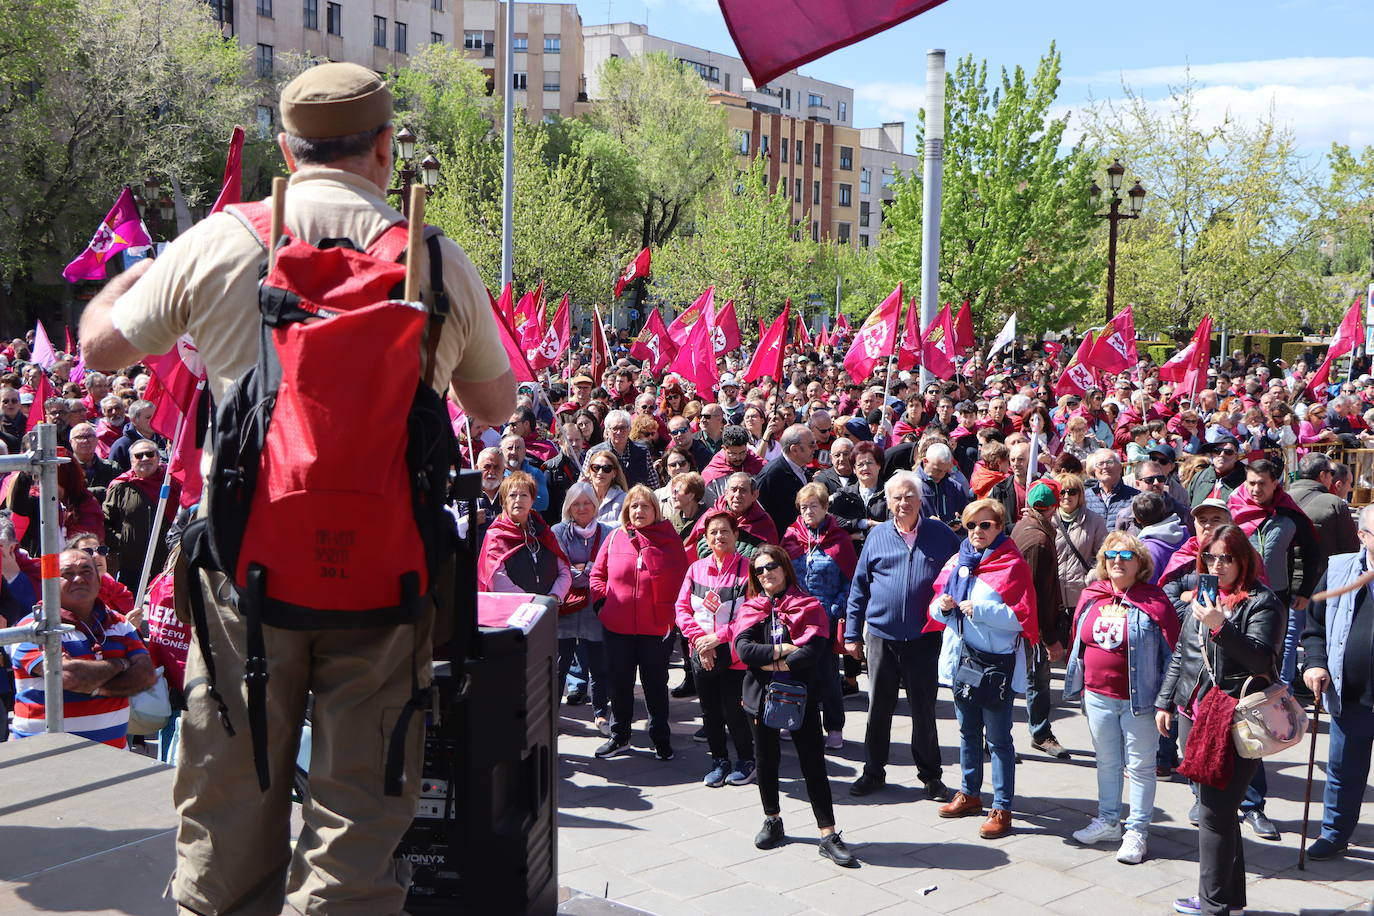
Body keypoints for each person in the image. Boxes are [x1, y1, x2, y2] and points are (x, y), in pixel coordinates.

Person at [79, 62, 516, 915]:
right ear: (386, 151)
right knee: (358, 825)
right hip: (386, 584)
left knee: (229, 815)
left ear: (287, 148)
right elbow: (494, 406)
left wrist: (131, 280)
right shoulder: (434, 256)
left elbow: (100, 350)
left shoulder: (222, 240)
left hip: (245, 571)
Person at [1156, 525, 1285, 916]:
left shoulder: (1263, 602)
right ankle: (1230, 899)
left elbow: (1262, 660)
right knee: (1219, 811)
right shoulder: (1203, 598)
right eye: (1210, 557)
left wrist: (1220, 626)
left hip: (1236, 719)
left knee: (1213, 815)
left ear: (1243, 559)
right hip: (1194, 714)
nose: (1217, 564)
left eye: (1226, 557)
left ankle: (1212, 905)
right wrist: (1165, 700)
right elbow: (1182, 653)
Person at [732, 544, 856, 867]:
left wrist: (778, 662)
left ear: (785, 567)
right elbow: (745, 651)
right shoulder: (752, 607)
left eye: (771, 566)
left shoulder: (807, 604)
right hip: (760, 699)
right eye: (759, 570)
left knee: (813, 763)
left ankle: (827, 833)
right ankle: (772, 819)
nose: (765, 573)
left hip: (801, 697)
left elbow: (813, 650)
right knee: (767, 760)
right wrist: (781, 653)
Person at [1063, 532, 1180, 865]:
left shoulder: (1154, 600)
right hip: (1097, 696)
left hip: (1139, 701)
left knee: (1141, 768)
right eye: (1111, 555)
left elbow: (1173, 653)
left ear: (1139, 564)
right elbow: (1079, 643)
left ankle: (1137, 831)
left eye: (1126, 556)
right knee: (1107, 763)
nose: (1117, 561)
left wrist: (1166, 701)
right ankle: (1109, 821)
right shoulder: (1093, 594)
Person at [845, 470, 961, 800]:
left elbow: (961, 569)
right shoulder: (877, 536)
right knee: (878, 708)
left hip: (924, 638)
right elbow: (859, 588)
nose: (903, 502)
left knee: (923, 709)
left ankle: (931, 775)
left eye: (910, 495)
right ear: (888, 501)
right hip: (882, 636)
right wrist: (852, 634)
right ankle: (873, 771)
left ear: (920, 498)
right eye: (897, 497)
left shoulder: (939, 533)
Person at [929, 499, 1038, 840]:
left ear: (999, 527)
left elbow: (1021, 620)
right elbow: (936, 611)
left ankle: (1002, 807)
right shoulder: (958, 560)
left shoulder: (1012, 565)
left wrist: (981, 610)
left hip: (995, 665)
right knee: (967, 733)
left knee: (999, 740)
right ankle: (970, 792)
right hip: (964, 661)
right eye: (972, 524)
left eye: (985, 525)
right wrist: (943, 606)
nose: (977, 531)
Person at [9, 548, 156, 747]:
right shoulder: (32, 629)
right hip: (43, 760)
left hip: (111, 761)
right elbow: (66, 675)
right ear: (49, 583)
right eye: (67, 574)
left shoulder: (120, 624)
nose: (79, 579)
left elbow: (145, 676)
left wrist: (93, 686)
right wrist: (121, 664)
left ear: (99, 579)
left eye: (87, 572)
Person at [590, 485, 690, 760]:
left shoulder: (669, 540)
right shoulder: (614, 538)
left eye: (645, 506)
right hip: (617, 627)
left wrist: (671, 617)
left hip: (656, 628)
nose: (639, 511)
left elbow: (683, 583)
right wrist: (602, 606)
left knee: (655, 685)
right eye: (634, 506)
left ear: (655, 511)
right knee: (620, 684)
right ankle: (619, 735)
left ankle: (660, 738)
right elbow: (597, 576)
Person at [1299, 503, 1374, 860]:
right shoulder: (1341, 569)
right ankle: (1334, 833)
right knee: (1344, 770)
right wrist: (1314, 663)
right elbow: (1313, 627)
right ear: (1362, 536)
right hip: (1352, 695)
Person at [674, 510, 755, 788]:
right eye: (713, 532)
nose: (719, 536)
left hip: (733, 655)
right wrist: (700, 641)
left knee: (734, 709)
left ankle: (746, 759)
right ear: (706, 538)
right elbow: (682, 609)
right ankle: (719, 760)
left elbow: (749, 615)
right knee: (709, 710)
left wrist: (717, 639)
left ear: (736, 535)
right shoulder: (695, 568)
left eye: (724, 531)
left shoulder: (748, 570)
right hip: (701, 654)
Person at [783, 482, 857, 749]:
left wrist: (836, 608)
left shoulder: (839, 540)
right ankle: (793, 720)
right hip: (796, 618)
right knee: (794, 672)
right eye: (804, 507)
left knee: (827, 675)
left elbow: (850, 580)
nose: (809, 511)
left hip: (825, 617)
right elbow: (783, 576)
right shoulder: (791, 537)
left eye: (814, 505)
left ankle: (834, 726)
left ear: (826, 508)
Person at [1286, 452, 1360, 685]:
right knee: (1316, 636)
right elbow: (1350, 549)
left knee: (1285, 637)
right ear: (1323, 475)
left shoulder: (1282, 497)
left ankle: (1285, 687)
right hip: (1318, 584)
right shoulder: (1334, 503)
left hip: (1282, 580)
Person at [1011, 477, 1069, 759]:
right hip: (1027, 627)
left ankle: (1034, 732)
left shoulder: (1028, 527)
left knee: (1028, 679)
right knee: (1032, 680)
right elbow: (1035, 596)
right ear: (1051, 508)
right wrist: (1049, 638)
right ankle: (1039, 732)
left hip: (1023, 624)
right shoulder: (1038, 540)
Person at [552, 482, 613, 737]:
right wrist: (587, 569)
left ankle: (601, 713)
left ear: (595, 505)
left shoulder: (608, 532)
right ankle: (551, 716)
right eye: (576, 503)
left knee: (600, 666)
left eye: (587, 502)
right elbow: (562, 568)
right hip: (566, 606)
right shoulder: (557, 531)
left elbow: (605, 570)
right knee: (558, 665)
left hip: (596, 608)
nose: (582, 508)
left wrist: (583, 569)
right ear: (569, 506)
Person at [477, 471, 571, 600]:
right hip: (513, 613)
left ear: (532, 500)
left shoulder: (543, 531)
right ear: (503, 501)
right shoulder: (496, 536)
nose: (518, 500)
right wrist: (532, 603)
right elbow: (496, 580)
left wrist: (554, 597)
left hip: (549, 608)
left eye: (524, 495)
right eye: (512, 495)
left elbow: (564, 570)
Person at [103, 440, 180, 588]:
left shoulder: (174, 482)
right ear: (131, 460)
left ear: (158, 458)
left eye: (150, 454)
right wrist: (123, 543)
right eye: (139, 456)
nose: (145, 458)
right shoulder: (121, 486)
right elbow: (106, 522)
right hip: (132, 566)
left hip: (168, 565)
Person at [1053, 471, 1108, 616]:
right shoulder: (1046, 521)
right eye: (1061, 492)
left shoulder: (1095, 521)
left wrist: (1091, 577)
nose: (1066, 496)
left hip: (1082, 595)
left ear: (1080, 495)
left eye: (1072, 492)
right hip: (1052, 595)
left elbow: (1104, 555)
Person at [755, 423, 815, 535]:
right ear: (795, 449)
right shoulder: (771, 474)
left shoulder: (802, 469)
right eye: (811, 445)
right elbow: (757, 513)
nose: (815, 448)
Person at [830, 441, 888, 547]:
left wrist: (861, 534)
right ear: (854, 469)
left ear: (879, 465)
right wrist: (863, 523)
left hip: (883, 550)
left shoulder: (890, 492)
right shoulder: (845, 494)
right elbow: (830, 519)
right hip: (851, 554)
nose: (865, 468)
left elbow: (893, 527)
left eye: (869, 463)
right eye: (860, 464)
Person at [590, 409, 658, 489]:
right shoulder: (594, 453)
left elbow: (653, 484)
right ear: (607, 431)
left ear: (629, 429)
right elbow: (586, 483)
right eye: (615, 428)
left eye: (623, 428)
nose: (619, 432)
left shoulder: (643, 452)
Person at [916, 442, 970, 530]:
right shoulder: (910, 485)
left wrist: (960, 522)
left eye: (945, 471)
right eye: (937, 470)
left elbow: (967, 515)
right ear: (925, 461)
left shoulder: (954, 486)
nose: (941, 475)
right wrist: (926, 523)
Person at [1085, 449, 1140, 532]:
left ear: (1120, 468)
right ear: (1095, 470)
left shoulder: (1135, 497)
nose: (1105, 467)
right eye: (1100, 464)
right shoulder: (1086, 496)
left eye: (1109, 462)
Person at [1187, 435, 1247, 506]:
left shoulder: (1247, 480)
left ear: (1236, 457)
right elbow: (1187, 506)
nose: (1222, 455)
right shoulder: (1199, 477)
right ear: (1212, 455)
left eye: (1228, 452)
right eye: (1217, 451)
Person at [581, 448, 629, 526]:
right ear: (589, 471)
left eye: (606, 469)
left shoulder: (624, 499)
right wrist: (577, 490)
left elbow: (622, 526)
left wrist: (594, 527)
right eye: (596, 468)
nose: (600, 472)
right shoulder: (580, 497)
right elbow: (567, 521)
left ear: (614, 473)